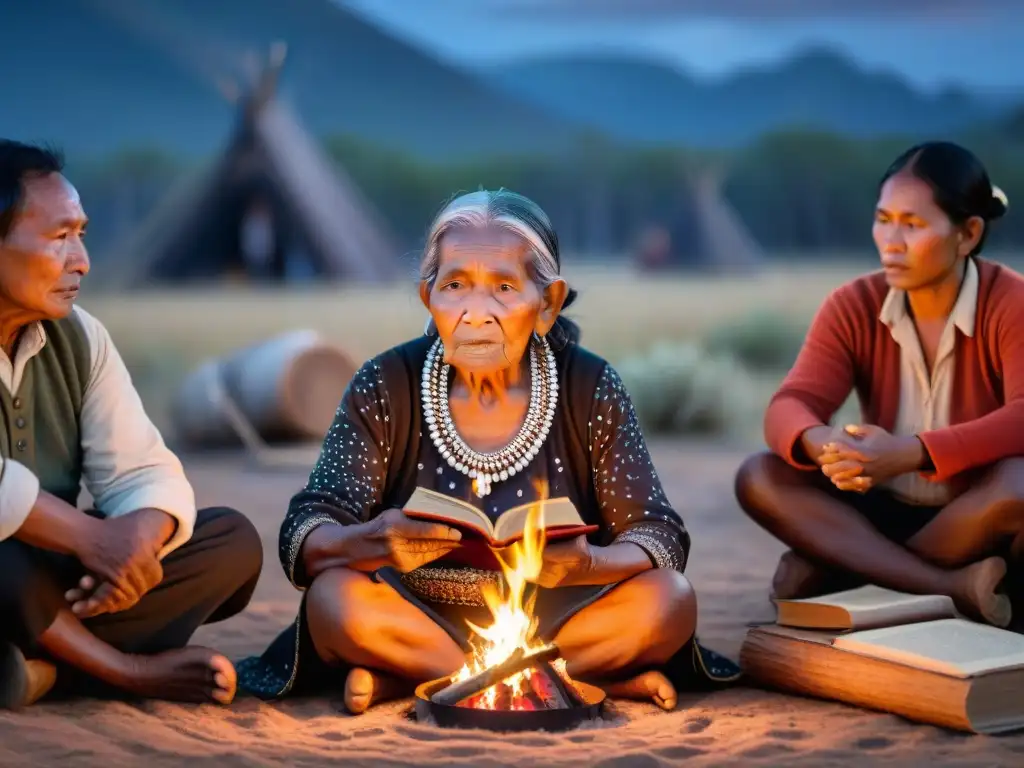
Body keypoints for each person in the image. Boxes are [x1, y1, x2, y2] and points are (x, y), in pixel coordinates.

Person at [239, 189, 739, 713]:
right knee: (333, 601)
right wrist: (374, 539)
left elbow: (657, 535)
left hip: (566, 621)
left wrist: (590, 564)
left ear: (546, 303)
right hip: (416, 620)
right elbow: (306, 532)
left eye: (503, 287)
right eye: (455, 285)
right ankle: (573, 684)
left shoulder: (590, 386)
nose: (476, 314)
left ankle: (420, 683)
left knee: (669, 599)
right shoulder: (385, 384)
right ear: (428, 297)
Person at [0, 140, 264, 709]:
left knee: (232, 543)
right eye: (58, 237)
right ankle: (116, 668)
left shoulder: (79, 336)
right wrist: (93, 539)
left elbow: (141, 469)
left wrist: (135, 541)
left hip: (44, 589)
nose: (81, 261)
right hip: (9, 572)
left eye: (83, 234)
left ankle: (38, 666)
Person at [734, 141, 1023, 627]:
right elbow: (791, 404)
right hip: (881, 510)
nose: (891, 240)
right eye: (883, 218)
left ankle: (841, 570)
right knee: (760, 475)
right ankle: (951, 586)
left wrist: (912, 452)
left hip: (976, 519)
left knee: (1020, 484)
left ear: (968, 233)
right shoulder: (853, 305)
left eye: (912, 225)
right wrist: (823, 442)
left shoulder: (1010, 303)